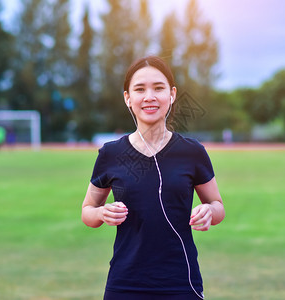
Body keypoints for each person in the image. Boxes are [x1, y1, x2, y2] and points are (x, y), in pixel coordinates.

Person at [81, 56, 225, 300]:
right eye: (140, 89)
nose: (149, 96)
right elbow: (87, 211)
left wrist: (209, 211)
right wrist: (101, 213)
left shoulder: (192, 152)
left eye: (158, 88)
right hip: (125, 284)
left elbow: (218, 206)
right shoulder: (111, 154)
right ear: (127, 98)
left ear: (172, 94)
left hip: (181, 284)